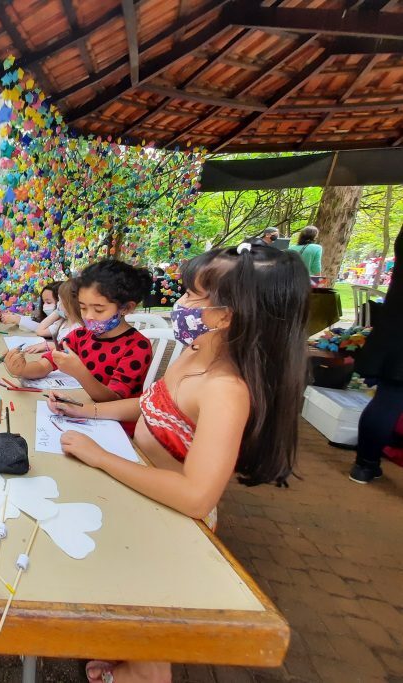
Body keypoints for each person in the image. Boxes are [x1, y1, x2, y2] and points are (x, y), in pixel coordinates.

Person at [47, 244, 309, 683]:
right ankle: (119, 654)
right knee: (123, 601)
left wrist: (102, 457)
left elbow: (195, 497)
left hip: (173, 524)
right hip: (142, 492)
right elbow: (150, 406)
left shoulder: (226, 390)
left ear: (228, 314)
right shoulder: (194, 354)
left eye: (192, 295)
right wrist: (88, 413)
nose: (180, 304)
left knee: (151, 632)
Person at [6, 262, 153, 434]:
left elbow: (112, 400)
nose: (88, 316)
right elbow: (45, 365)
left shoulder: (137, 347)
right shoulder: (80, 336)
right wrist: (21, 369)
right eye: (83, 308)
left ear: (126, 308)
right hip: (82, 413)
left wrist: (79, 372)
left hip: (117, 429)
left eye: (99, 310)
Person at [350, 223, 403, 483]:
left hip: (395, 327)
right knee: (390, 398)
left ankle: (365, 464)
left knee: (387, 398)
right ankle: (367, 463)